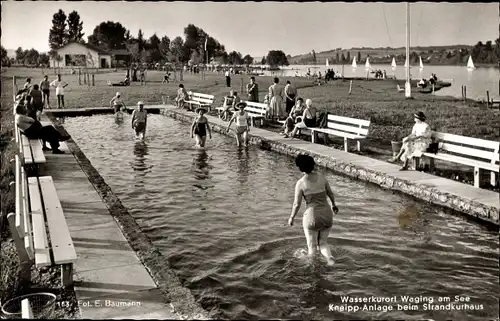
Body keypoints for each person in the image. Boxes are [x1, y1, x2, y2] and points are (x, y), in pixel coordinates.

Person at [288, 154, 339, 266]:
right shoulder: (322, 177)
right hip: (327, 214)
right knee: (323, 243)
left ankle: (313, 270)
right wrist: (334, 205)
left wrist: (292, 217)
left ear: (300, 168)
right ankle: (329, 258)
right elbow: (330, 193)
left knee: (312, 247)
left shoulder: (300, 183)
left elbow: (297, 204)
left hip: (311, 216)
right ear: (313, 165)